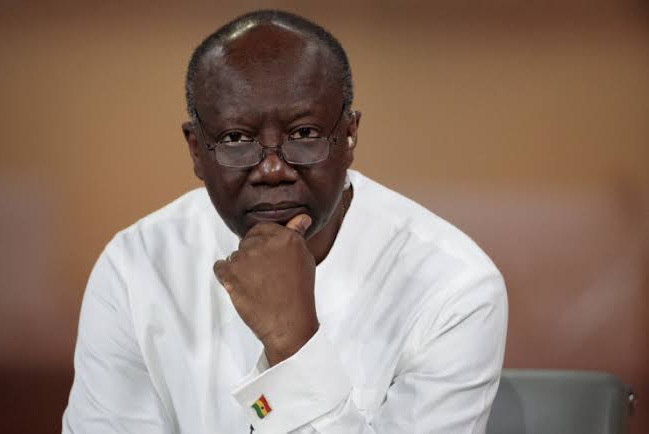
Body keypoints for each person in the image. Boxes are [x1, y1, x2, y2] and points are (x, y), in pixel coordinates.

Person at [62, 9, 507, 434]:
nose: (273, 169)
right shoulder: (136, 267)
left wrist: (293, 344)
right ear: (196, 149)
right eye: (236, 138)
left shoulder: (453, 288)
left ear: (349, 135)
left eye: (304, 133)